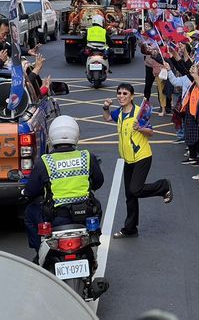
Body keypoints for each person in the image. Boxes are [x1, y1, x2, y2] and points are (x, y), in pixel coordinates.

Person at [23, 116, 104, 255]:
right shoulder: (86, 156)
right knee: (98, 207)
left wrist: (25, 193)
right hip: (85, 213)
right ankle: (93, 238)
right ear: (76, 135)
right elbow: (98, 181)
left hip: (56, 217)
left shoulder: (45, 161)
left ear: (52, 136)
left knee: (30, 213)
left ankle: (40, 252)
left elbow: (31, 190)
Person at [103, 83, 173, 239]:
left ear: (132, 96)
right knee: (130, 195)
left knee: (135, 189)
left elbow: (151, 132)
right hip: (128, 159)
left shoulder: (138, 114)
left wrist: (140, 128)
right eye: (119, 93)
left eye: (125, 94)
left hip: (142, 156)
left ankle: (163, 186)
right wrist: (106, 107)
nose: (121, 96)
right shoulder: (120, 113)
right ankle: (130, 229)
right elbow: (107, 118)